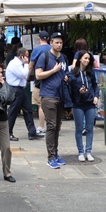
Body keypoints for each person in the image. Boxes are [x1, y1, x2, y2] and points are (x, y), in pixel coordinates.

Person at [34, 31, 68, 169]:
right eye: (56, 42)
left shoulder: (64, 57)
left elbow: (64, 72)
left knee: (57, 127)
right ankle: (51, 156)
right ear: (51, 42)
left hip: (61, 95)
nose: (59, 45)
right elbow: (38, 75)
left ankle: (56, 153)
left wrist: (66, 77)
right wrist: (53, 71)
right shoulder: (45, 56)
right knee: (51, 126)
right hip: (48, 95)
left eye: (61, 42)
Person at [70, 50, 100, 163]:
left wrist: (96, 96)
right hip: (78, 103)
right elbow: (71, 88)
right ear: (80, 59)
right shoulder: (73, 73)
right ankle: (80, 152)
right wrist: (79, 92)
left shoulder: (90, 72)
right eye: (85, 58)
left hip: (90, 103)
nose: (87, 61)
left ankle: (88, 151)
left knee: (89, 128)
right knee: (79, 129)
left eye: (88, 59)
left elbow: (95, 86)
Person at [5, 47, 40, 141]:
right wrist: (26, 65)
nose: (28, 59)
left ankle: (32, 132)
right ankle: (7, 132)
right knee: (13, 111)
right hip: (15, 89)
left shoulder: (20, 63)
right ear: (22, 56)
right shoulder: (15, 64)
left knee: (28, 109)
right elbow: (24, 75)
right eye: (27, 56)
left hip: (20, 89)